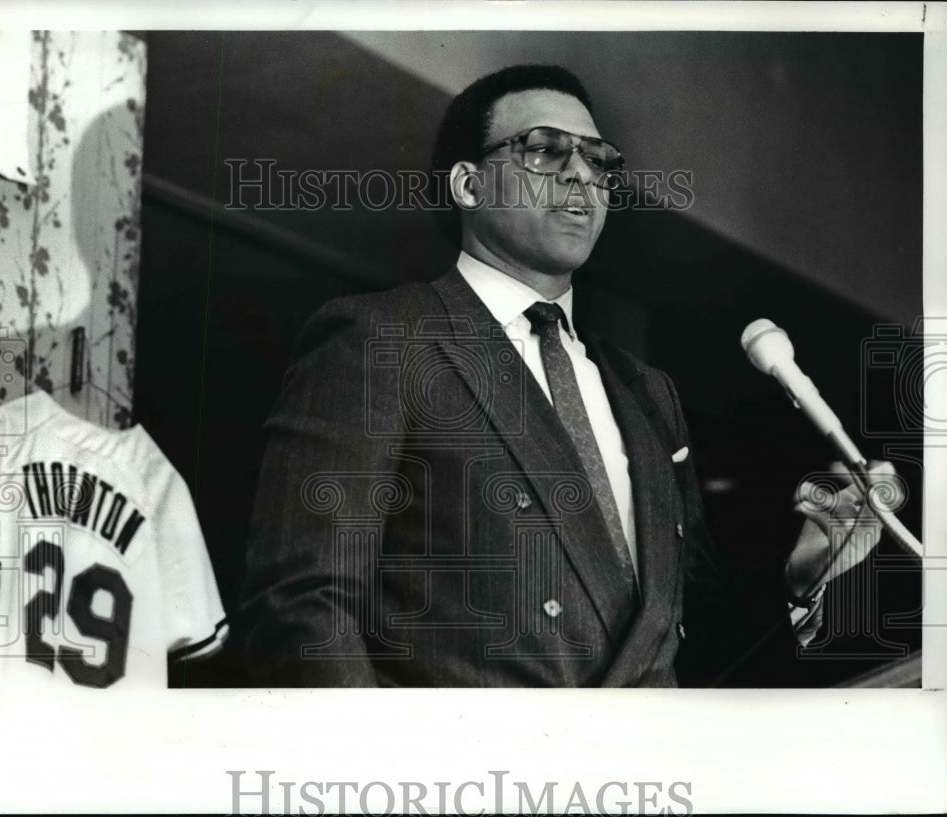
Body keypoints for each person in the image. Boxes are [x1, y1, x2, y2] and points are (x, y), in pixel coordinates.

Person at [238, 65, 889, 687]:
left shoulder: (647, 393)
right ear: (468, 185)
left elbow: (680, 632)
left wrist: (803, 571)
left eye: (599, 159)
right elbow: (302, 607)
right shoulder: (383, 337)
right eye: (545, 150)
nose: (582, 173)